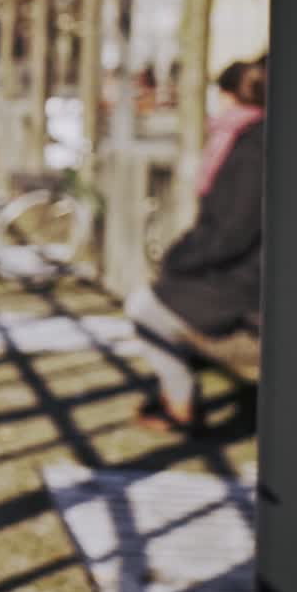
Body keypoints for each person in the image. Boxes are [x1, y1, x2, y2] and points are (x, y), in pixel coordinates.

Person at [125, 58, 266, 429]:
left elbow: (232, 230)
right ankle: (180, 396)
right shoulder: (248, 138)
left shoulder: (253, 145)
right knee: (153, 302)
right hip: (240, 276)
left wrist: (177, 261)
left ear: (229, 96)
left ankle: (181, 402)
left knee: (145, 308)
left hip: (245, 286)